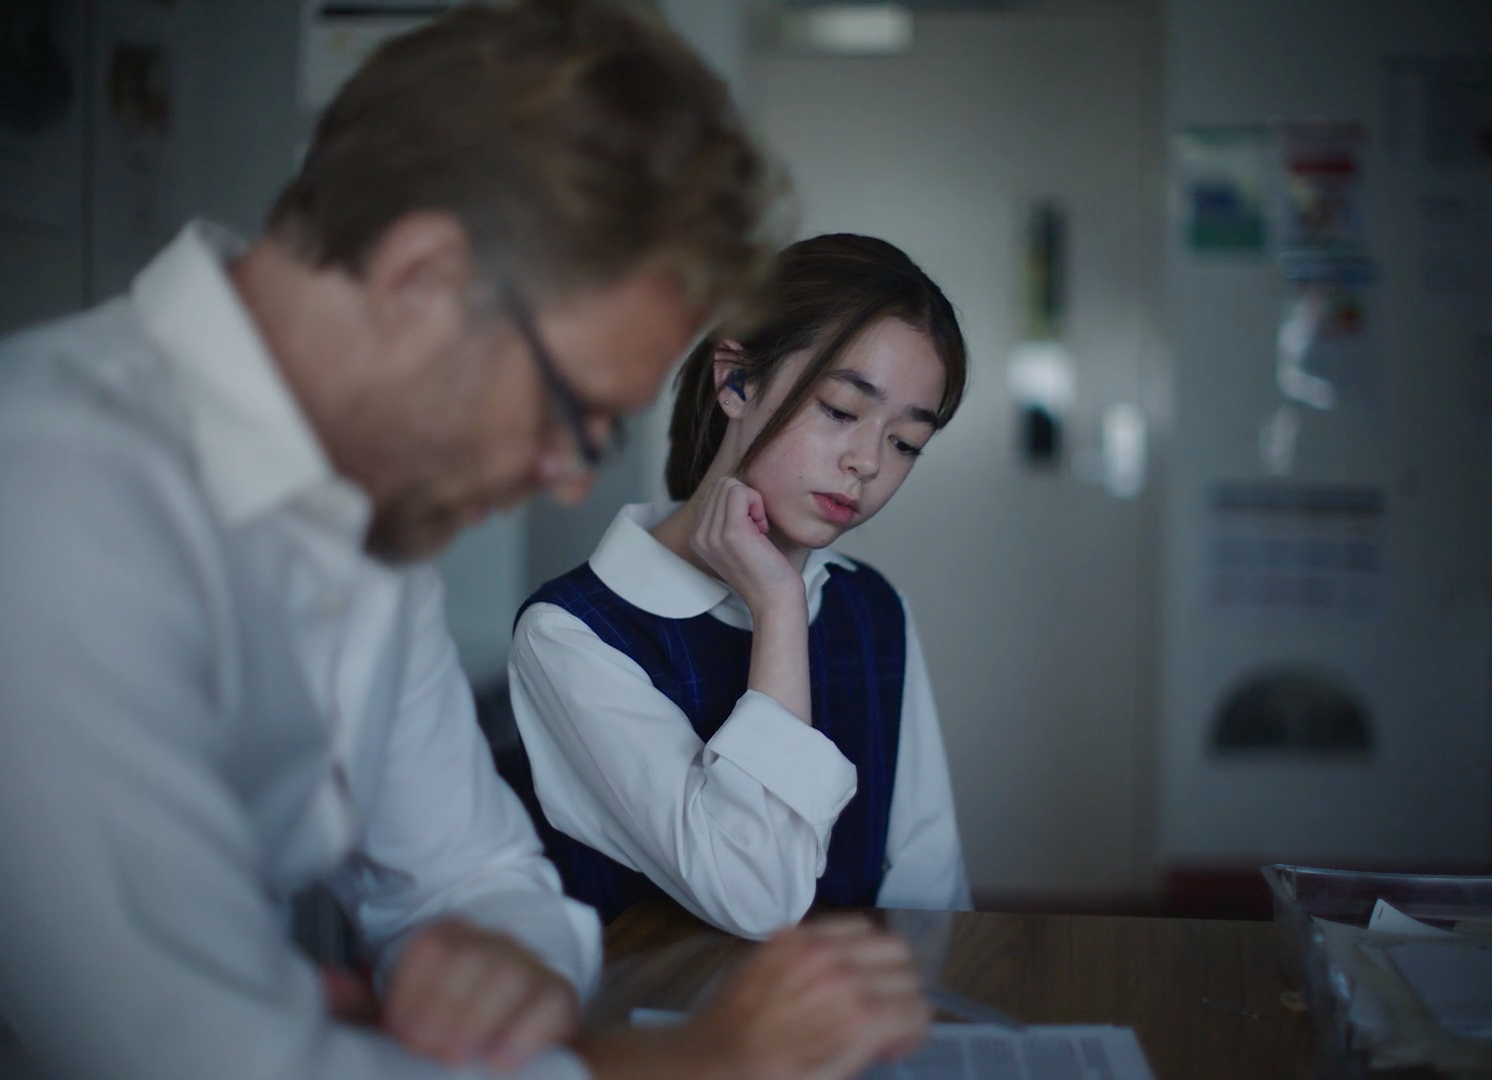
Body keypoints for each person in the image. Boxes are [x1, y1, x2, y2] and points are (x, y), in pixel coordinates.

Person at [0, 5, 930, 1079]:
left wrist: (503, 966)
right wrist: (707, 1066)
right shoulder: (54, 503)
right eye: (571, 412)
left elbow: (473, 872)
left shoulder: (364, 515)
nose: (572, 478)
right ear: (423, 280)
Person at [505, 234, 973, 939]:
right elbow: (757, 895)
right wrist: (778, 607)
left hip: (856, 1034)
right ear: (736, 382)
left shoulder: (871, 609)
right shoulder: (571, 635)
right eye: (841, 411)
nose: (868, 462)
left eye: (906, 442)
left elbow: (929, 884)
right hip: (661, 1036)